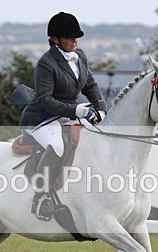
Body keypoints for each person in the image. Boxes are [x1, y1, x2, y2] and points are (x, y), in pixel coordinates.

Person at [19, 12, 108, 220]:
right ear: (55, 39)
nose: (74, 41)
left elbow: (91, 85)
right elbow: (44, 100)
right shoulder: (46, 63)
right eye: (69, 37)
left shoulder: (80, 57)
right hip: (42, 116)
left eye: (76, 37)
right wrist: (75, 111)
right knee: (58, 145)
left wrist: (101, 108)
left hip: (68, 113)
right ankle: (41, 196)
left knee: (96, 134)